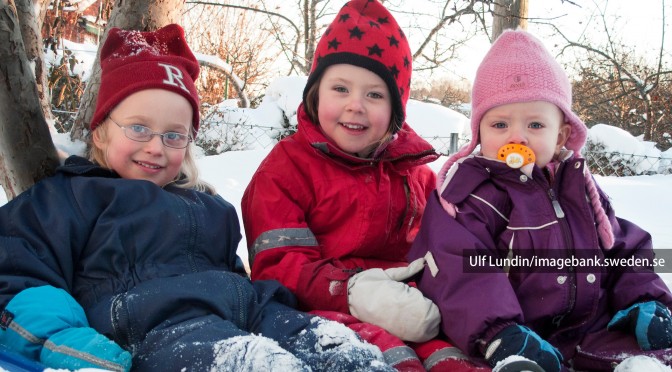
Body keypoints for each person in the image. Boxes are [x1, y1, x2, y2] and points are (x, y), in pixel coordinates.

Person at [0, 24, 392, 372]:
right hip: (153, 326)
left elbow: (234, 279)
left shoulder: (209, 208)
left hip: (244, 312)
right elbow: (17, 272)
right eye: (139, 128)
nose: (156, 147)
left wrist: (279, 303)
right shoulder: (70, 197)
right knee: (257, 365)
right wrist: (60, 339)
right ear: (100, 131)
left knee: (344, 353)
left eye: (174, 135)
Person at [242, 1, 489, 371]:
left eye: (374, 94)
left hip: (412, 306)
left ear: (395, 110)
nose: (355, 105)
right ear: (316, 94)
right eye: (340, 88)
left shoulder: (416, 176)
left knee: (454, 359)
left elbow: (445, 249)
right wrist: (352, 292)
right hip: (322, 312)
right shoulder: (285, 169)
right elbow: (277, 263)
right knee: (388, 361)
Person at [408, 28, 672, 372]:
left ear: (560, 134)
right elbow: (456, 267)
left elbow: (622, 246)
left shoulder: (579, 190)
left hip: (590, 329)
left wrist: (645, 297)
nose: (516, 136)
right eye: (500, 124)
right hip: (513, 336)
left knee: (657, 354)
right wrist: (498, 332)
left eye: (534, 124)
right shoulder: (470, 196)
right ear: (479, 133)